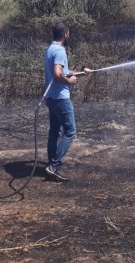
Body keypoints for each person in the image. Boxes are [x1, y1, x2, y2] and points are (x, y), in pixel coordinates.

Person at [43, 23, 92, 182]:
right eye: (68, 33)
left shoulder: (50, 49)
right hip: (60, 98)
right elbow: (58, 74)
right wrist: (69, 81)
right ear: (65, 34)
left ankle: (52, 163)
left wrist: (80, 72)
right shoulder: (60, 50)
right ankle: (54, 166)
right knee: (70, 131)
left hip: (50, 97)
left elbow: (63, 72)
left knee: (54, 131)